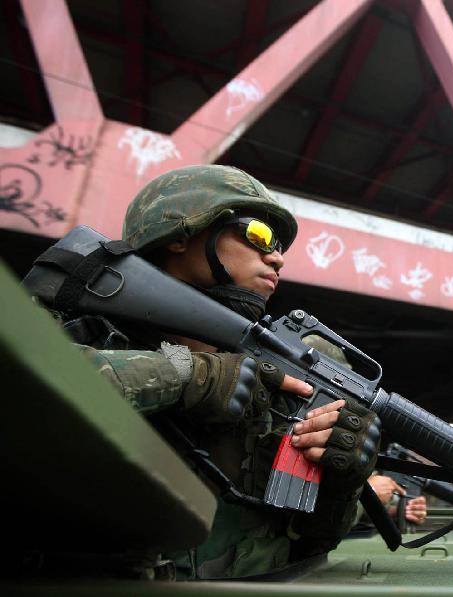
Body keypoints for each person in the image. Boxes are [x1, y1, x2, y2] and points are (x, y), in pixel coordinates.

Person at [51, 164, 381, 579]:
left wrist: (342, 482)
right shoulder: (86, 333)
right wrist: (185, 374)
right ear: (181, 235)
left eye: (279, 246)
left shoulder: (280, 381)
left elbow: (312, 544)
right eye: (259, 235)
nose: (276, 257)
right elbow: (28, 393)